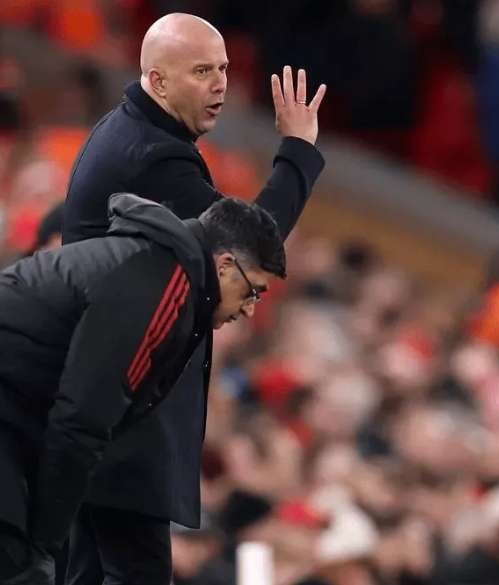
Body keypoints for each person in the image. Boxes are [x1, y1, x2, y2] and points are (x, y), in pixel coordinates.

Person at [61, 13, 326, 585]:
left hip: (99, 400)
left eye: (224, 69)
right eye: (202, 71)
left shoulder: (136, 131)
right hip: (122, 410)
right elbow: (248, 247)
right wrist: (298, 151)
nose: (220, 84)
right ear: (157, 81)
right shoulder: (154, 156)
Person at [0, 194, 286, 584]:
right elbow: (82, 420)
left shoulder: (159, 267)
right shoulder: (160, 284)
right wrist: (45, 543)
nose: (250, 308)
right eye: (253, 291)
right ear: (224, 266)